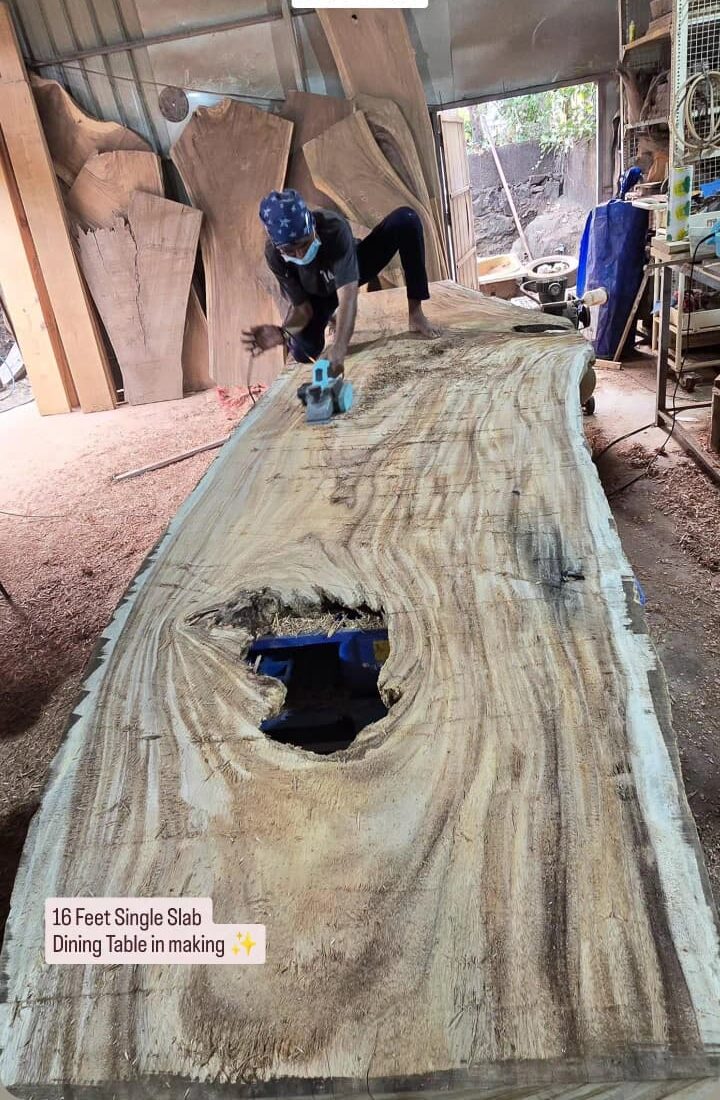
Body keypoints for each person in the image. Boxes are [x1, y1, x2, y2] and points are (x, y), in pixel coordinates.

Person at [242, 189, 440, 377]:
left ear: (312, 227)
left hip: (354, 268)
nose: (300, 255)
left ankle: (415, 313)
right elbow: (302, 309)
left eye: (304, 244)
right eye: (290, 251)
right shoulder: (274, 255)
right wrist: (283, 334)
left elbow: (348, 295)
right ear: (278, 247)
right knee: (302, 351)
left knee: (406, 219)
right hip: (318, 297)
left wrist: (339, 347)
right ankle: (329, 316)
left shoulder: (333, 226)